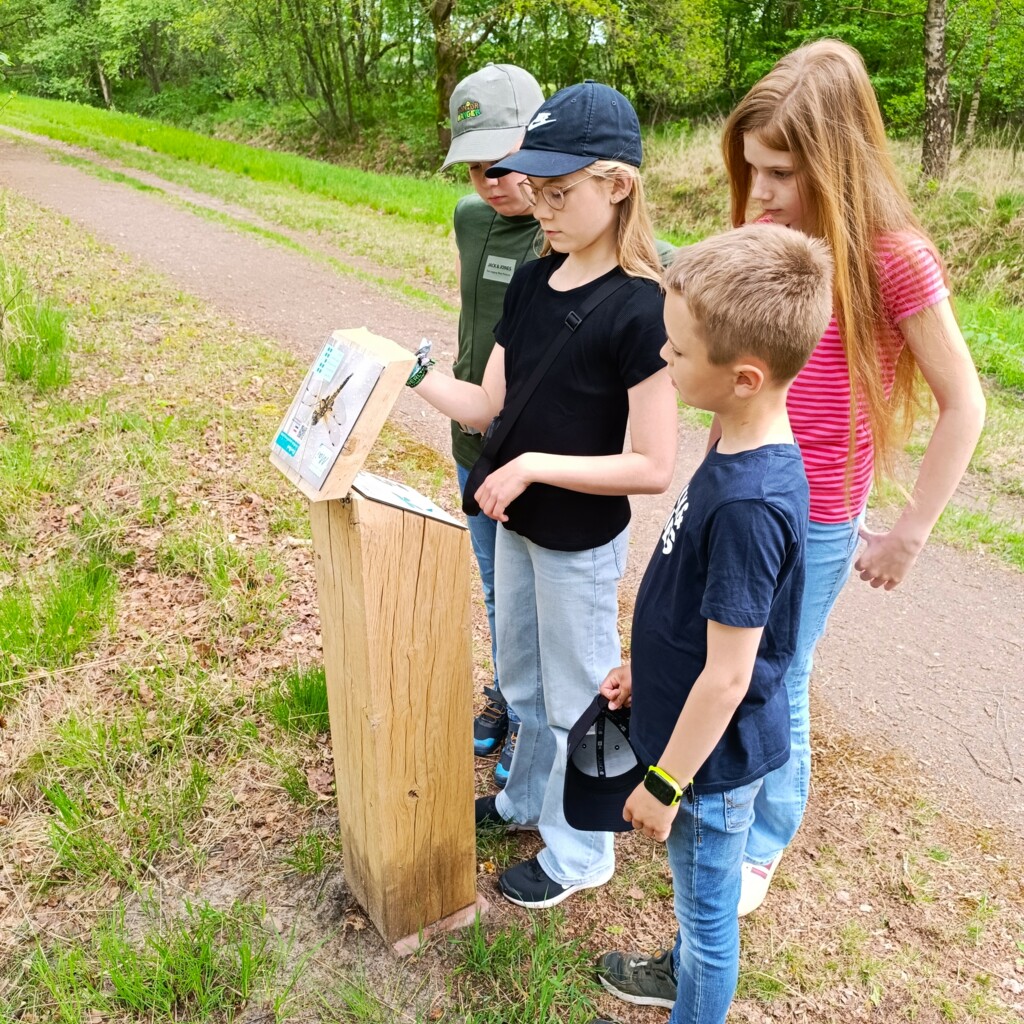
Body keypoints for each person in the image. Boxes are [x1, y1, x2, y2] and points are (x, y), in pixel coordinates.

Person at [720, 39, 985, 917]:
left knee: (779, 674)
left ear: (835, 163)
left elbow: (964, 404)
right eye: (752, 170)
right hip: (743, 494)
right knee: (730, 659)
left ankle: (765, 836)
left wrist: (909, 534)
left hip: (819, 517)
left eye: (780, 174)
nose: (759, 194)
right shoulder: (766, 235)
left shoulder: (894, 257)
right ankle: (723, 792)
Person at [406, 81, 677, 908]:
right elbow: (486, 404)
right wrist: (408, 374)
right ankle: (524, 801)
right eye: (537, 189)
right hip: (516, 522)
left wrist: (532, 467)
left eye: (559, 193)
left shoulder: (643, 309)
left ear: (617, 186)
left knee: (575, 694)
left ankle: (581, 851)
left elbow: (653, 465)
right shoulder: (532, 281)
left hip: (576, 539)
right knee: (523, 680)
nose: (540, 207)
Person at [593, 223, 835, 1024]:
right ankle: (681, 973)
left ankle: (692, 996)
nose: (663, 357)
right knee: (699, 901)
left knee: (707, 919)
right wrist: (645, 668)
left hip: (708, 772)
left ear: (745, 376)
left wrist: (666, 783)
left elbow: (730, 676)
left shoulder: (749, 507)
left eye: (678, 351)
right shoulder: (733, 438)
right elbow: (692, 604)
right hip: (692, 742)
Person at [440, 63, 545, 784]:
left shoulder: (575, 228)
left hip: (536, 456)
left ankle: (536, 728)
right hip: (471, 442)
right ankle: (508, 695)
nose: (492, 183)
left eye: (504, 165)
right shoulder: (469, 219)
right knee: (494, 588)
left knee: (534, 601)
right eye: (477, 168)